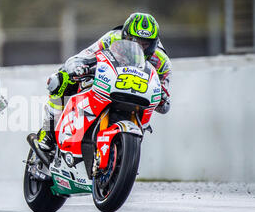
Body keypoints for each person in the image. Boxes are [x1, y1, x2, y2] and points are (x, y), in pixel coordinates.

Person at [37, 12, 172, 151]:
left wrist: (162, 97)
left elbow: (164, 105)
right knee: (61, 78)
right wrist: (78, 67)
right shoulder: (112, 39)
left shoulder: (162, 62)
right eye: (135, 41)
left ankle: (122, 155)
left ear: (154, 43)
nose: (140, 48)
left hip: (136, 96)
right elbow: (81, 57)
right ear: (124, 36)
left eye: (146, 44)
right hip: (108, 80)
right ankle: (48, 130)